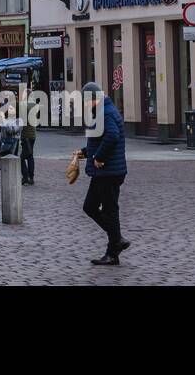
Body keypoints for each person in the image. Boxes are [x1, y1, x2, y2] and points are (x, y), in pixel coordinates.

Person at [79, 81, 129, 266]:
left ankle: (114, 248)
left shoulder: (105, 113)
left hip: (108, 171)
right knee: (90, 207)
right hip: (106, 171)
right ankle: (117, 241)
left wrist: (98, 157)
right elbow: (100, 138)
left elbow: (112, 136)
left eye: (85, 101)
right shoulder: (103, 111)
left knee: (108, 210)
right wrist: (85, 152)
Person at [21, 113, 37, 186]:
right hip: (32, 135)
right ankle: (31, 177)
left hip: (26, 136)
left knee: (21, 158)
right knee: (30, 156)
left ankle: (25, 177)